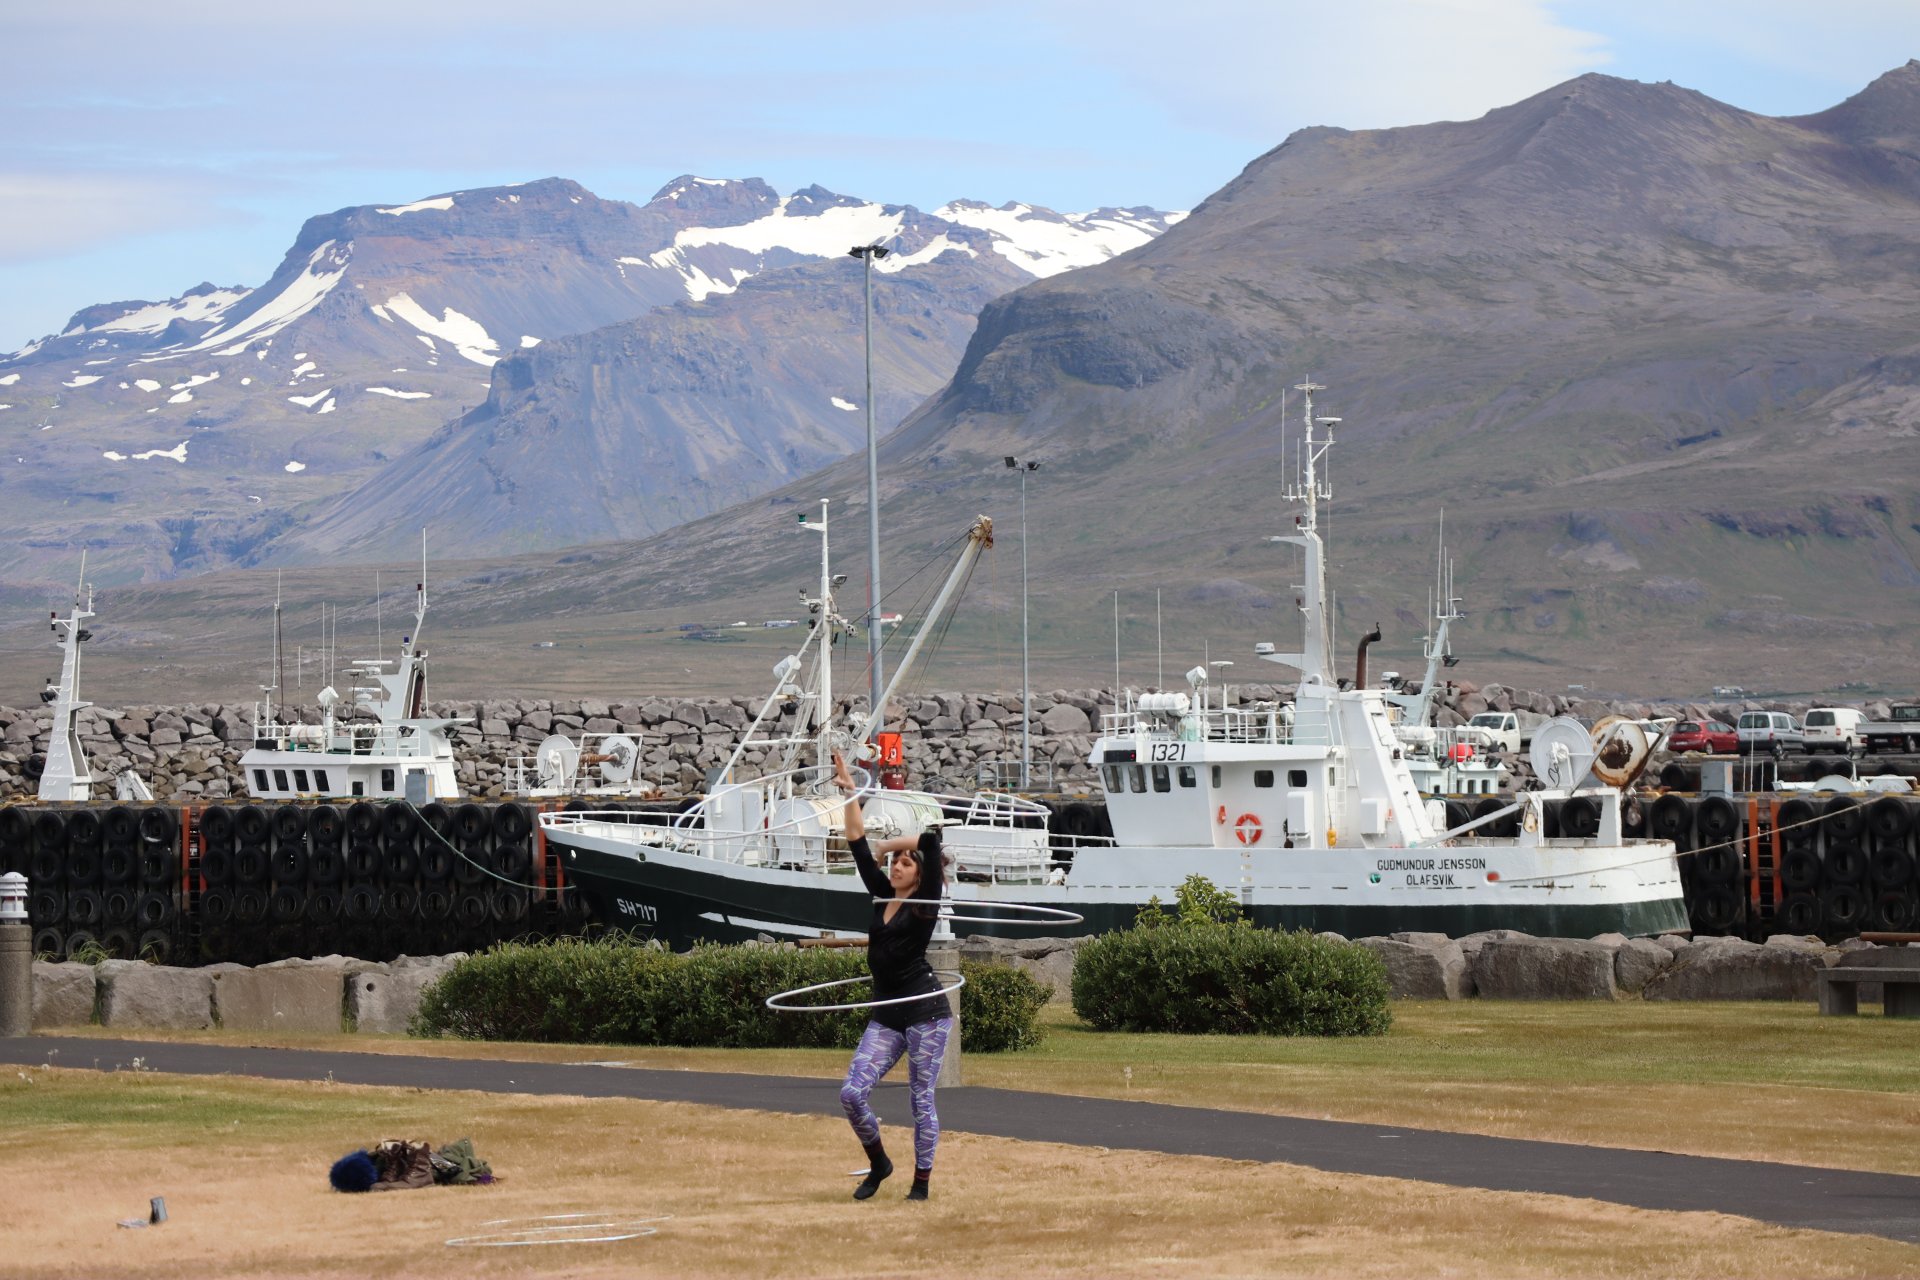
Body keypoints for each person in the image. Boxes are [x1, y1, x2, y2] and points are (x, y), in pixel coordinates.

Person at [832, 750, 953, 1202]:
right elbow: (856, 840)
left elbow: (933, 842)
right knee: (851, 1093)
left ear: (919, 876)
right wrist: (849, 791)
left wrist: (893, 843)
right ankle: (879, 1161)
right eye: (895, 862)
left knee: (920, 1100)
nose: (896, 865)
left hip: (925, 1013)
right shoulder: (881, 896)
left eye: (905, 862)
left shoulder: (925, 905)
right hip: (886, 1014)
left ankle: (920, 1185)